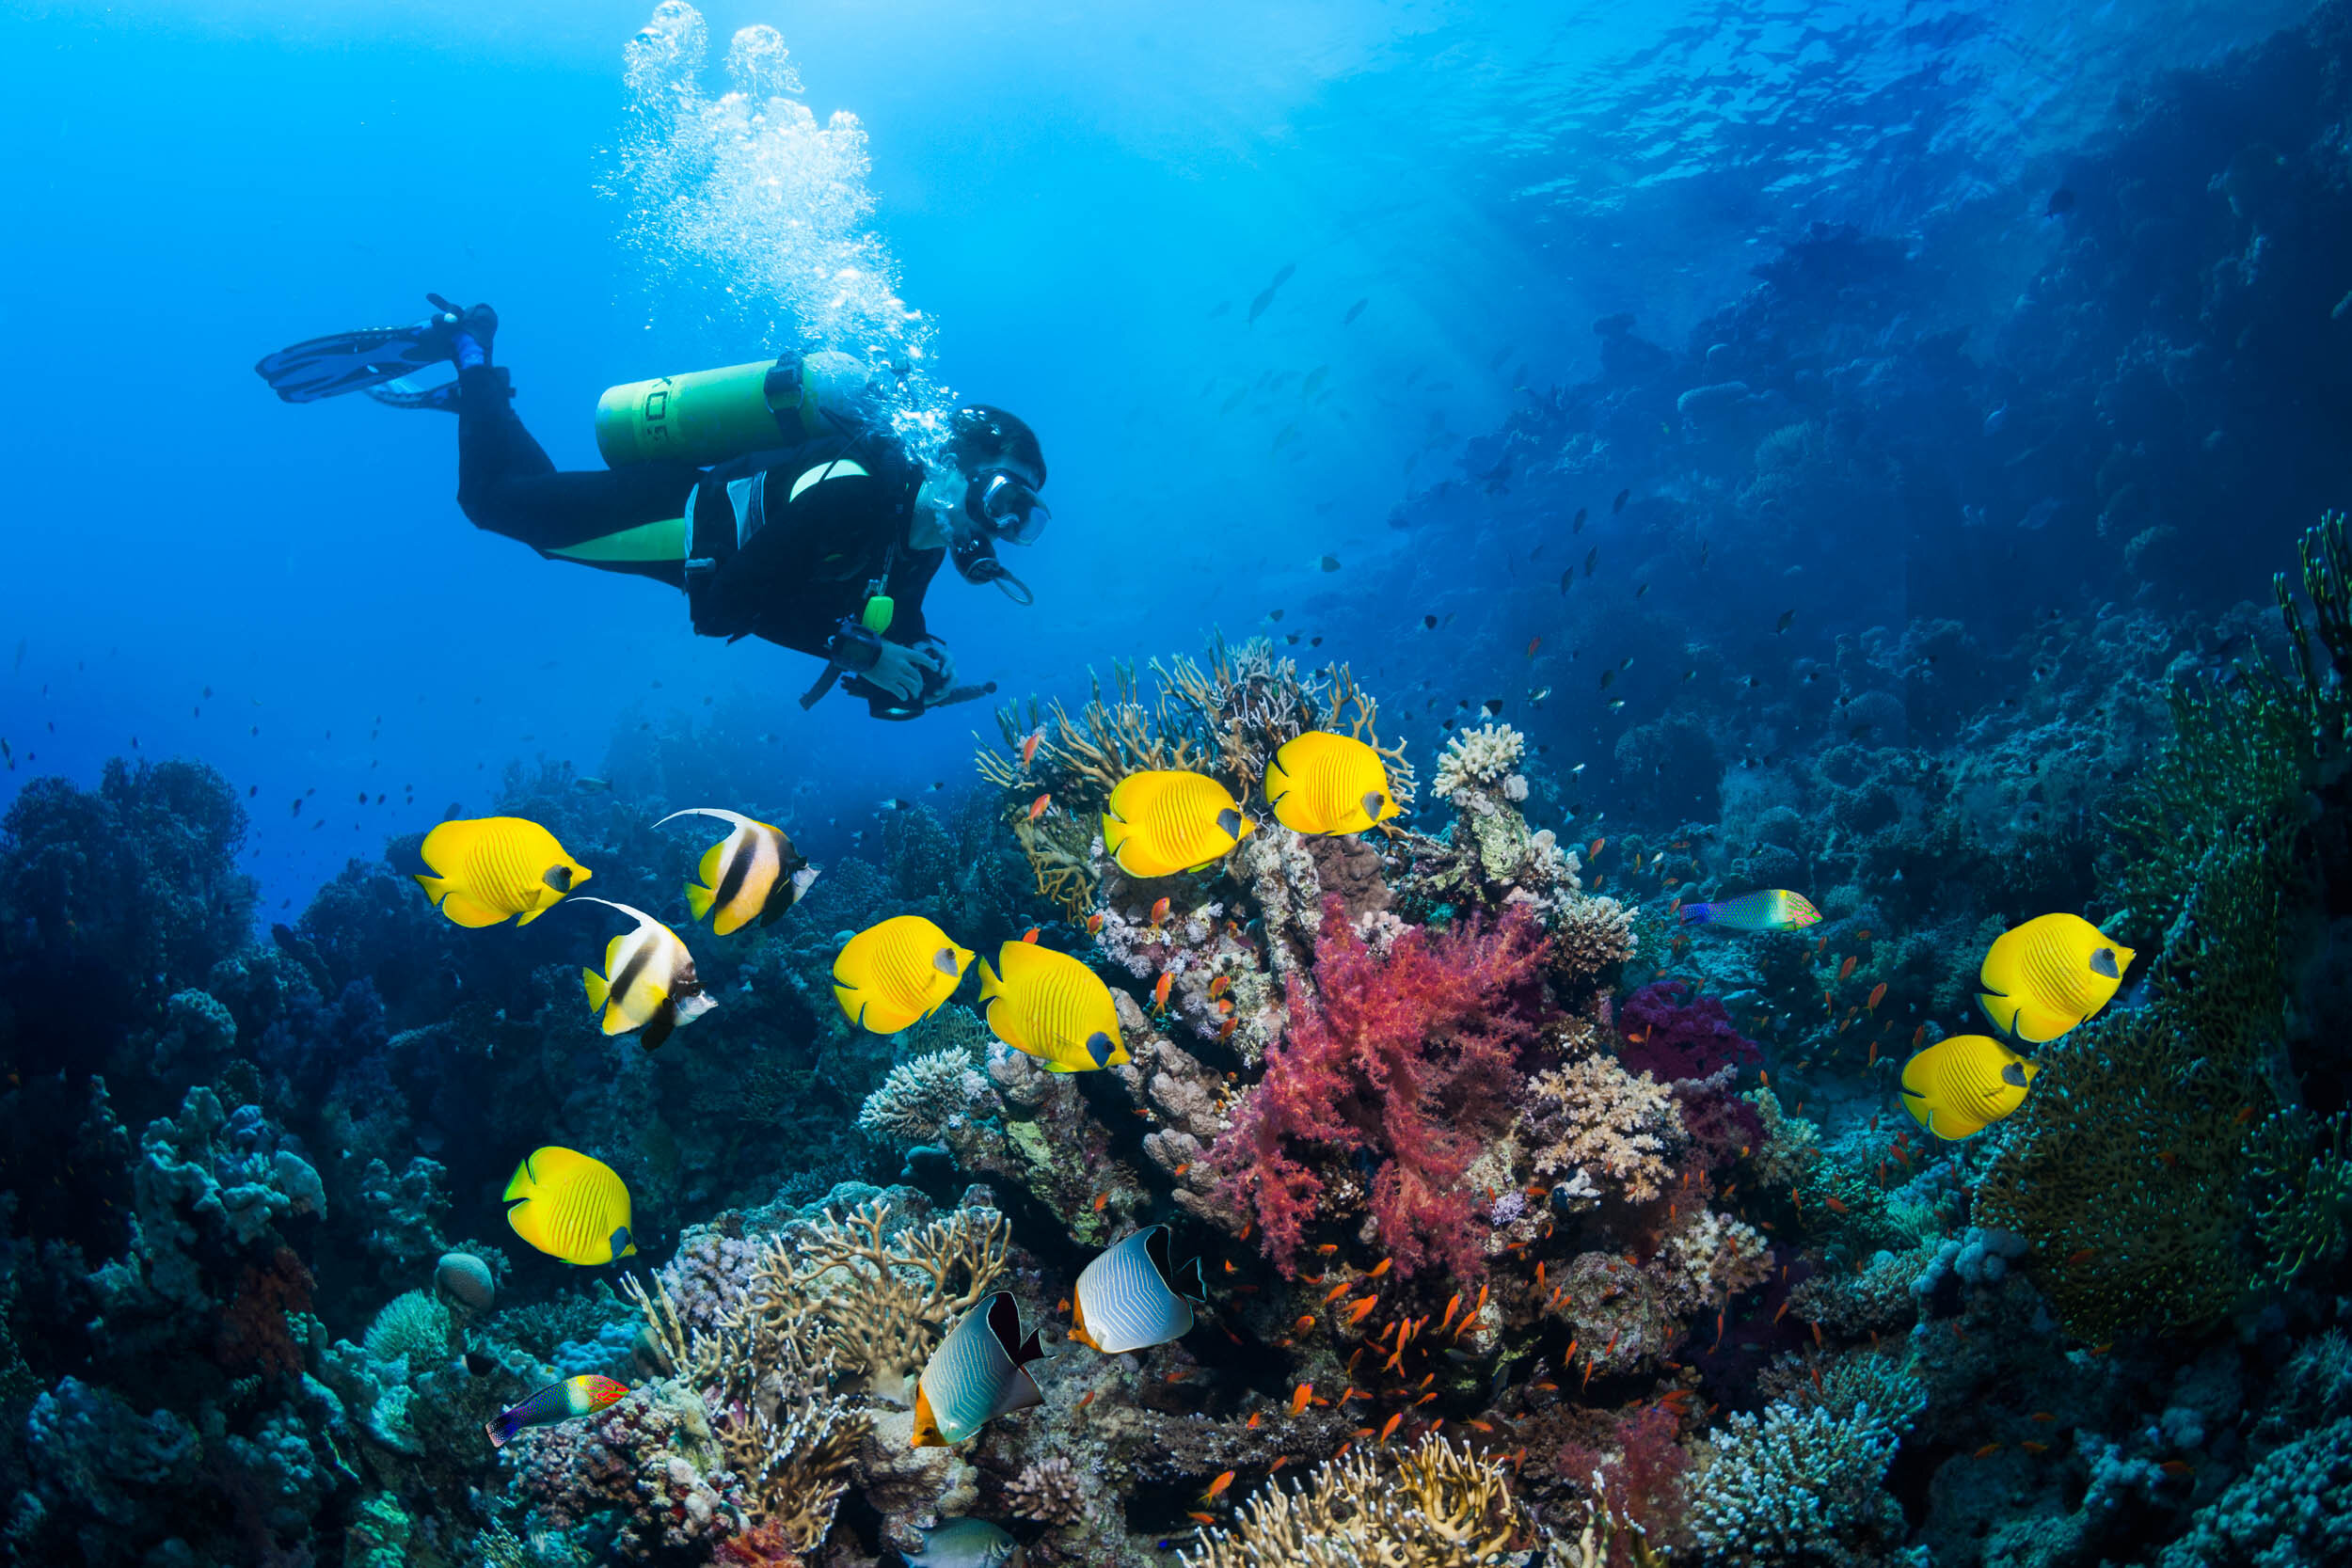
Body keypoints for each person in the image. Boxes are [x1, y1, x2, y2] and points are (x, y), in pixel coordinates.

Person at [257, 295, 1047, 719]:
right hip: (675, 519)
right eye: (1003, 498)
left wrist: (916, 675)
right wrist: (858, 651)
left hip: (684, 527)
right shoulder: (859, 488)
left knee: (535, 518)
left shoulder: (921, 538)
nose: (1001, 526)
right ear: (955, 465)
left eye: (1022, 517)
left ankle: (480, 399)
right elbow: (728, 604)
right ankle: (469, 352)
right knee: (491, 502)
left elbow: (879, 627)